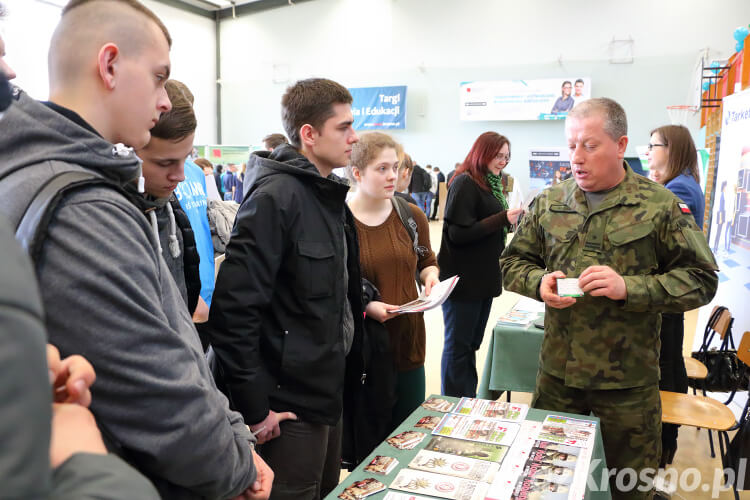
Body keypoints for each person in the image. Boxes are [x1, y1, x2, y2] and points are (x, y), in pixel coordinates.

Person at [0, 1, 271, 498]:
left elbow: (174, 341)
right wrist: (238, 465)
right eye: (158, 77)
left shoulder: (68, 183)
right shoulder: (82, 206)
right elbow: (159, 391)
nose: (165, 100)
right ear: (109, 65)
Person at [501, 98, 719, 498]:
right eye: (571, 146)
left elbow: (701, 280)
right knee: (547, 487)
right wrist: (539, 283)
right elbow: (512, 262)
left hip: (627, 389)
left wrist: (630, 288)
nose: (577, 158)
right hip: (558, 381)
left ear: (621, 145)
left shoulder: (659, 206)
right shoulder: (551, 202)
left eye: (590, 145)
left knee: (628, 490)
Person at [206, 77, 365, 500]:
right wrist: (255, 410)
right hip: (286, 408)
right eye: (344, 127)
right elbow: (234, 312)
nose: (355, 137)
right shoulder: (276, 198)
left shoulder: (324, 194)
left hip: (325, 393)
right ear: (309, 135)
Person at [347, 131, 439, 430]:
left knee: (409, 433)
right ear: (357, 173)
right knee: (371, 443)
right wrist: (367, 307)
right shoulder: (339, 222)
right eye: (382, 168)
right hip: (365, 353)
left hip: (409, 344)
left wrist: (431, 278)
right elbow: (331, 287)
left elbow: (426, 259)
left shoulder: (410, 215)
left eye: (395, 167)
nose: (392, 176)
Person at [438, 132, 523, 398]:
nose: (503, 162)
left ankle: (467, 399)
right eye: (499, 155)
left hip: (484, 278)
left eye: (507, 157)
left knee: (471, 345)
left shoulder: (491, 184)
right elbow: (458, 234)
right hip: (464, 281)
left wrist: (509, 222)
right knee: (458, 346)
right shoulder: (465, 182)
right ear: (482, 152)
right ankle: (453, 402)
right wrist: (502, 218)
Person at [645, 123, 706, 467]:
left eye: (654, 145)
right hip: (670, 291)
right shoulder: (678, 184)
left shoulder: (679, 188)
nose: (649, 151)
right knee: (669, 363)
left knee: (666, 367)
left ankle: (663, 447)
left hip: (667, 292)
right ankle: (664, 446)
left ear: (673, 148)